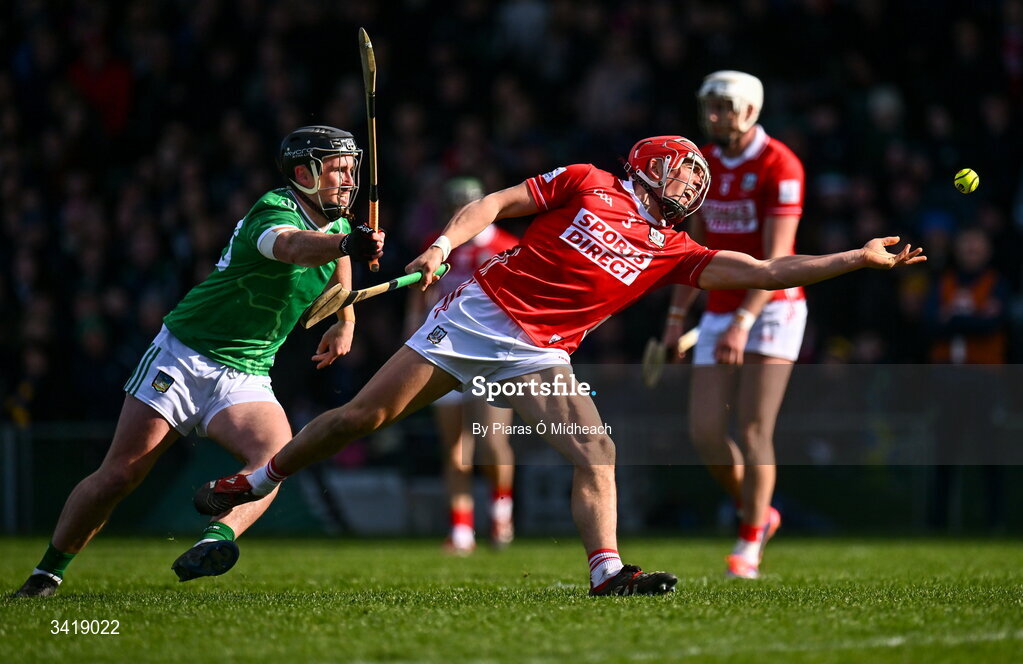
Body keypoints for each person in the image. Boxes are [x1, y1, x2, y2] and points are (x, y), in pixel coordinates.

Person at [193, 135, 924, 596]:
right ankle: (255, 480)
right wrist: (444, 247)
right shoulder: (586, 181)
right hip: (474, 317)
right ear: (646, 163)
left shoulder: (675, 251)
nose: (691, 182)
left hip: (539, 353)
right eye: (681, 167)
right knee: (359, 418)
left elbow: (766, 270)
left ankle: (605, 570)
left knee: (594, 450)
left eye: (697, 175)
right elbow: (495, 203)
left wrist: (854, 258)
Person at [12, 125, 385, 598]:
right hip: (185, 354)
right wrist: (347, 244)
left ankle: (216, 537)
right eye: (339, 170)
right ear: (303, 173)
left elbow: (339, 272)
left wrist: (345, 319)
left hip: (247, 371)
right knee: (121, 474)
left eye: (353, 171)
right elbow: (292, 248)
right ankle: (47, 573)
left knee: (276, 461)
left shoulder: (338, 227)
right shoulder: (274, 211)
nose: (349, 181)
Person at [661, 71, 805, 579]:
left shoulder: (780, 164)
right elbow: (690, 251)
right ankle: (760, 512)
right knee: (703, 432)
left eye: (723, 108)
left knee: (752, 427)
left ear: (749, 111)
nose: (714, 117)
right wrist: (678, 315)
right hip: (719, 307)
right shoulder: (700, 163)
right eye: (710, 108)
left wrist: (745, 320)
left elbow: (778, 256)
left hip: (772, 307)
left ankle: (748, 541)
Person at [404, 177, 519, 555]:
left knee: (491, 439)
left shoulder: (507, 247)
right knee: (454, 445)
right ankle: (462, 531)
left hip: (491, 355)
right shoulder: (438, 245)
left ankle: (501, 514)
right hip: (446, 351)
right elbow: (421, 299)